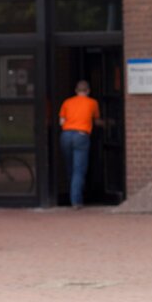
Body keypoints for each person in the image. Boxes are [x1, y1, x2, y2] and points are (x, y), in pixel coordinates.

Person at [58, 80, 101, 209]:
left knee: (70, 167)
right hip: (81, 135)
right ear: (88, 91)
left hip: (66, 135)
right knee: (79, 169)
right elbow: (96, 120)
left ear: (76, 91)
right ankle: (76, 200)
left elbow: (61, 121)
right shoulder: (92, 103)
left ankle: (71, 195)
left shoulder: (67, 102)